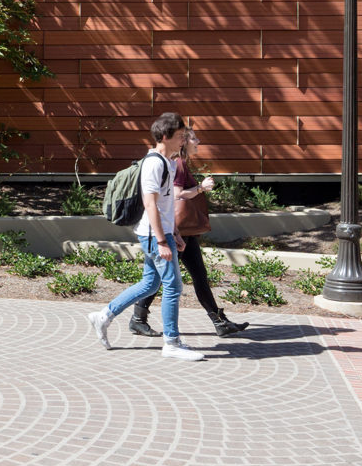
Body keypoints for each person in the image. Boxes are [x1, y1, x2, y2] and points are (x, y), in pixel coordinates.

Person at [87, 112, 205, 362]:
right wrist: (163, 241)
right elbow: (150, 205)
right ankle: (171, 342)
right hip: (153, 235)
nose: (185, 139)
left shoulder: (170, 162)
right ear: (165, 136)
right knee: (173, 286)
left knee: (150, 284)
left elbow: (167, 203)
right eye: (181, 136)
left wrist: (175, 232)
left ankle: (103, 316)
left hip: (161, 232)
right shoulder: (154, 164)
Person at [128, 126, 249, 338]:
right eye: (194, 139)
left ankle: (219, 321)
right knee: (159, 279)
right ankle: (138, 319)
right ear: (184, 142)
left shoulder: (180, 163)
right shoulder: (179, 164)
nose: (198, 142)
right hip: (178, 230)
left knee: (199, 275)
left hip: (184, 231)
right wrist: (201, 188)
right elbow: (177, 195)